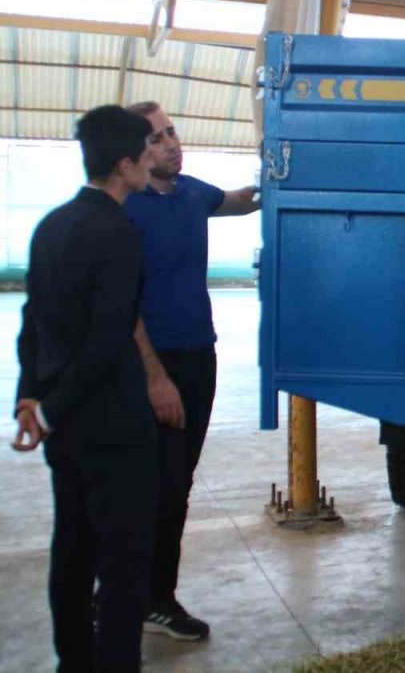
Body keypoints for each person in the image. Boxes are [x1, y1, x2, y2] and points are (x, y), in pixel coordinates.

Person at [12, 105, 157, 673]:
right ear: (124, 164)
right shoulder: (118, 233)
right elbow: (106, 341)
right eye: (144, 153)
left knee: (70, 550)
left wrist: (34, 400)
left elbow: (31, 323)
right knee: (122, 566)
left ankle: (73, 661)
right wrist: (46, 410)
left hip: (66, 431)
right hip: (115, 429)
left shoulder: (52, 225)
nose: (150, 161)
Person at [124, 101, 260, 641]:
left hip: (198, 355)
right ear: (134, 153)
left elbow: (238, 202)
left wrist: (276, 176)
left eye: (171, 131)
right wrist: (154, 376)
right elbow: (122, 303)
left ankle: (136, 590)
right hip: (151, 364)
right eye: (156, 139)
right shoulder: (127, 210)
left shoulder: (190, 193)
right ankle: (147, 598)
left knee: (173, 483)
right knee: (152, 483)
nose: (171, 143)